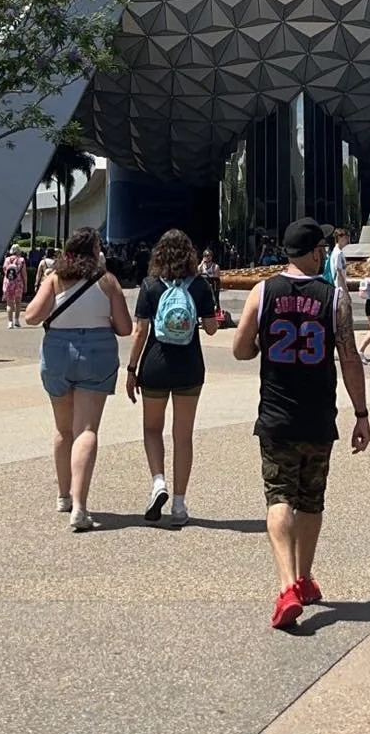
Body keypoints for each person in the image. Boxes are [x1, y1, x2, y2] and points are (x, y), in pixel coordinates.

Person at [232, 216, 370, 630]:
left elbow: (240, 350)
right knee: (311, 499)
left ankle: (287, 584)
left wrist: (262, 342)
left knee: (279, 497)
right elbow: (349, 357)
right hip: (317, 415)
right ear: (313, 253)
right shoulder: (334, 298)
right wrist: (361, 413)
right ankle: (305, 577)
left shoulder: (262, 291)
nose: (324, 253)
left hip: (275, 414)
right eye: (322, 249)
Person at [24, 228, 132, 532]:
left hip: (58, 350)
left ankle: (63, 496)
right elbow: (124, 328)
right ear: (95, 249)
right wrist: (102, 320)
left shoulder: (56, 278)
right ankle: (81, 506)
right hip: (97, 351)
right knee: (86, 429)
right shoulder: (107, 281)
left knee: (62, 428)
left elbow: (31, 316)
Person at [126, 230, 219, 524]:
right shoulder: (201, 285)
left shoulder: (151, 284)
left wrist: (131, 369)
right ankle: (179, 505)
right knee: (183, 435)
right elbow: (212, 328)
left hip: (154, 364)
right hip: (190, 366)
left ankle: (158, 483)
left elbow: (140, 331)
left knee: (152, 429)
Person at [2, 247, 28, 329]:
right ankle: (16, 320)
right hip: (18, 283)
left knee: (9, 303)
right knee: (18, 302)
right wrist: (25, 285)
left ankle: (10, 322)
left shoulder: (7, 260)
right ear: (18, 251)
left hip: (8, 283)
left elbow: (5, 272)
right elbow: (24, 274)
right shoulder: (22, 260)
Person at [198, 247, 222, 322]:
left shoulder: (215, 266)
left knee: (215, 298)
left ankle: (217, 314)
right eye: (205, 256)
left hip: (212, 285)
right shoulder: (202, 266)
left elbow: (216, 277)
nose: (207, 257)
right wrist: (201, 264)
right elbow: (197, 273)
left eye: (208, 256)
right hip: (204, 285)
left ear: (211, 256)